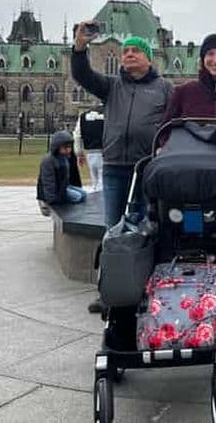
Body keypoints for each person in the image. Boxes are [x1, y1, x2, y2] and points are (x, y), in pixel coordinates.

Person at [72, 23, 172, 314]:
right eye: (125, 51)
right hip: (115, 166)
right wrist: (80, 47)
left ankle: (148, 287)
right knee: (111, 230)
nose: (127, 55)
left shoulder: (164, 88)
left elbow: (173, 123)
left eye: (135, 51)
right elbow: (82, 75)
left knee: (147, 227)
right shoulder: (112, 85)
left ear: (149, 57)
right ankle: (108, 290)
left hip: (148, 169)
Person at [36, 130, 87, 205]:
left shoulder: (66, 158)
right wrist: (52, 199)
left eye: (69, 147)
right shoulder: (49, 161)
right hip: (53, 191)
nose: (68, 150)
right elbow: (48, 181)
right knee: (77, 197)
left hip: (62, 188)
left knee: (84, 194)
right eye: (65, 147)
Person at [74, 106, 105, 191]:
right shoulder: (109, 114)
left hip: (90, 152)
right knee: (103, 183)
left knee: (95, 182)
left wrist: (79, 153)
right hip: (105, 152)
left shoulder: (84, 116)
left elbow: (77, 135)